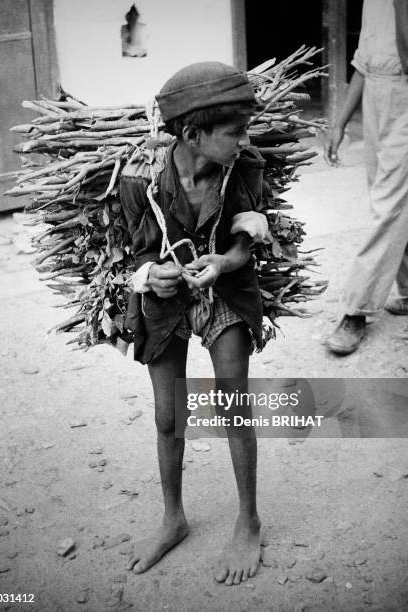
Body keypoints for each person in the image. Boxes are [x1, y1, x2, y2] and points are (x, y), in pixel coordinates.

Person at [119, 62, 270, 585]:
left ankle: (248, 520)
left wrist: (225, 263)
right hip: (166, 303)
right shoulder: (141, 179)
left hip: (223, 290)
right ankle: (173, 517)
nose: (244, 140)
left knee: (232, 405)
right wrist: (149, 275)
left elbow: (246, 238)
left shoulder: (241, 170)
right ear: (191, 134)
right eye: (235, 132)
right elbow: (130, 253)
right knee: (168, 415)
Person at [325, 0, 408, 355]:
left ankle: (357, 310)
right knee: (398, 201)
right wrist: (338, 122)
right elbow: (363, 64)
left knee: (389, 205)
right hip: (376, 97)